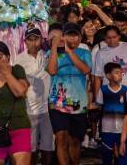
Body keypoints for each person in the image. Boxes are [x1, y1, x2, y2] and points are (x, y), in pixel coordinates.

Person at [47, 22, 92, 165]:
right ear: (63, 36)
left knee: (74, 141)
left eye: (75, 36)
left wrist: (69, 51)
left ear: (80, 37)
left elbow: (85, 70)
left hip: (79, 103)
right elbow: (52, 70)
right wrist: (54, 47)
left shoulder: (85, 53)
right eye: (69, 36)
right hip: (58, 102)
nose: (72, 39)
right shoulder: (51, 53)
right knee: (61, 138)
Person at [13, 27, 53, 165]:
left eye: (36, 39)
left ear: (41, 40)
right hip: (28, 110)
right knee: (32, 148)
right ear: (25, 41)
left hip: (47, 109)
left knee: (48, 147)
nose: (34, 42)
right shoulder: (19, 59)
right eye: (30, 39)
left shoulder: (47, 55)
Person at [93, 62, 127, 165]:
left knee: (122, 155)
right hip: (107, 129)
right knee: (106, 155)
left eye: (121, 72)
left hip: (122, 128)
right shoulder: (103, 90)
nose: (120, 75)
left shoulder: (126, 90)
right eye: (117, 72)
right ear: (108, 76)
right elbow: (98, 105)